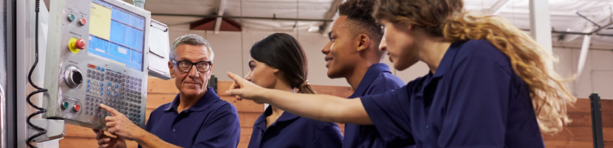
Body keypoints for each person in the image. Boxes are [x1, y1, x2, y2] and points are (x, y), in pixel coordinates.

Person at [225, 0, 576, 147]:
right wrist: (261, 94)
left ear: (407, 21)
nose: (383, 42)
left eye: (386, 27)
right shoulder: (422, 91)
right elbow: (340, 110)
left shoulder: (477, 59)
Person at [96, 34, 241, 148]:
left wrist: (137, 133)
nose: (194, 73)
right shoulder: (158, 115)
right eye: (185, 64)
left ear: (209, 71)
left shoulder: (223, 113)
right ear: (172, 69)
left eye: (202, 64)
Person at [323, 0, 408, 147]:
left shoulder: (386, 89)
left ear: (361, 42)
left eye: (333, 39)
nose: (325, 48)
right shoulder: (364, 96)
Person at [241, 33, 343, 148]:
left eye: (253, 66)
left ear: (275, 65)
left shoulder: (316, 123)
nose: (248, 77)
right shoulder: (261, 122)